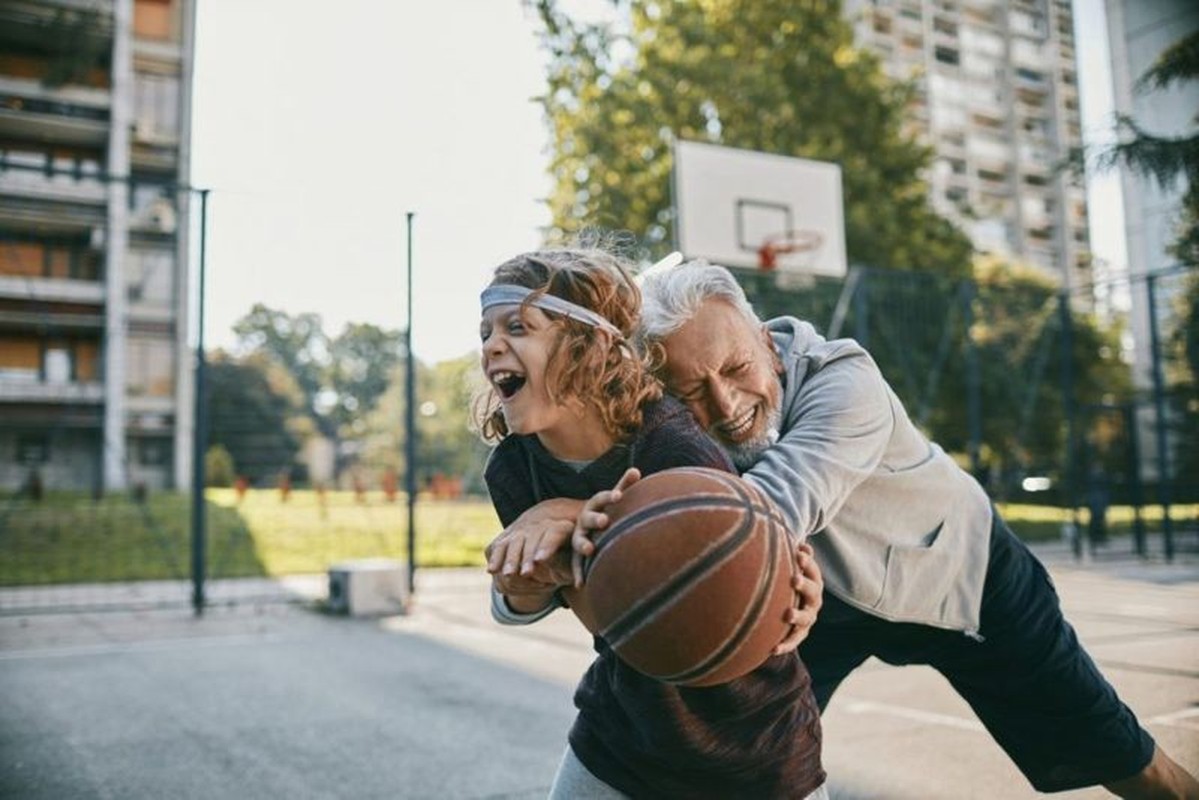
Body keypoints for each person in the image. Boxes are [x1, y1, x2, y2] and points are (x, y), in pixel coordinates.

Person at [626, 256, 1198, 799]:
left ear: (767, 346)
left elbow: (761, 516)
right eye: (693, 392)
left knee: (1119, 756)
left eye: (735, 368)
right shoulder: (671, 423)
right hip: (823, 604)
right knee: (727, 760)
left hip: (959, 576)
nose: (725, 405)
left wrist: (600, 520)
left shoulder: (846, 382)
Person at [476, 246, 827, 799]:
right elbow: (614, 629)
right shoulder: (514, 467)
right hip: (622, 740)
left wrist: (789, 589)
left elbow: (744, 584)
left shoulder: (672, 444)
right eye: (486, 332)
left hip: (755, 747)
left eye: (518, 327)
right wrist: (526, 585)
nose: (493, 344)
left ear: (588, 346)